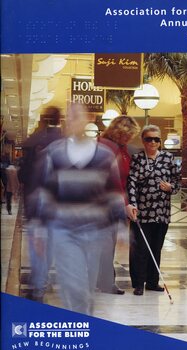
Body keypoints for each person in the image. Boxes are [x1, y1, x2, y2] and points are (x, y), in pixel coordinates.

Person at [28, 103, 126, 314]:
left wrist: (123, 229)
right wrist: (39, 227)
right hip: (64, 230)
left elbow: (113, 192)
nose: (72, 121)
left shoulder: (104, 155)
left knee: (88, 288)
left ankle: (83, 324)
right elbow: (46, 191)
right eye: (69, 117)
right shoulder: (55, 153)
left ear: (87, 119)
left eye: (77, 116)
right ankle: (80, 326)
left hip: (95, 231)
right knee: (75, 286)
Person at [127, 125, 181, 295]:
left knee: (156, 248)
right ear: (143, 140)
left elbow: (178, 183)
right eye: (149, 139)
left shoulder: (168, 158)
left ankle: (152, 281)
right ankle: (138, 283)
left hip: (161, 213)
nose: (153, 142)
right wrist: (132, 204)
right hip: (141, 213)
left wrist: (171, 188)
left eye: (156, 139)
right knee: (140, 249)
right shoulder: (137, 158)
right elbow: (131, 183)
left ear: (160, 141)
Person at [19, 106, 63, 302]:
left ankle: (38, 287)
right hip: (59, 205)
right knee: (49, 247)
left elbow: (24, 174)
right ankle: (40, 284)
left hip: (38, 203)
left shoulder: (36, 141)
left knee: (38, 247)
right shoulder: (65, 141)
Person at [97, 115, 140, 295]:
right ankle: (106, 282)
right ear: (119, 132)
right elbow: (111, 180)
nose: (130, 138)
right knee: (105, 243)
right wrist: (125, 204)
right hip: (102, 203)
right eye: (128, 135)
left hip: (115, 202)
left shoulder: (120, 148)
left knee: (107, 243)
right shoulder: (105, 147)